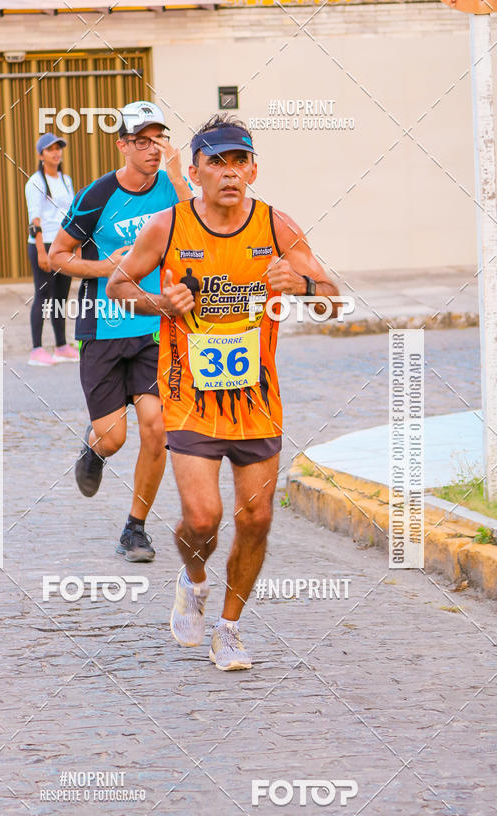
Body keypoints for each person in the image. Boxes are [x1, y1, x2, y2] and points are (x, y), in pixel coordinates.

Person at [107, 114, 339, 670]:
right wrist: (160, 303)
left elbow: (333, 297)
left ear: (253, 170)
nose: (230, 173)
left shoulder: (277, 226)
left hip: (257, 400)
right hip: (189, 395)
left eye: (240, 161)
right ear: (195, 172)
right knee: (203, 519)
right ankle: (193, 581)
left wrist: (303, 285)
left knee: (256, 520)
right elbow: (118, 285)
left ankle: (229, 630)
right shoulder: (167, 226)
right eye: (217, 162)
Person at [48, 101, 193, 561]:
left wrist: (179, 177)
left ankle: (135, 528)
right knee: (114, 437)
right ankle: (94, 448)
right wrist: (104, 267)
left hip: (155, 326)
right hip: (104, 327)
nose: (152, 149)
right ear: (123, 145)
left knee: (157, 428)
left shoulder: (172, 188)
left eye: (158, 139)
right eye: (142, 141)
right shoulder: (97, 195)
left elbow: (196, 231)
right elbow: (57, 256)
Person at [25, 132, 77, 366]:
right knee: (43, 295)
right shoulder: (35, 182)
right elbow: (34, 220)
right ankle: (36, 350)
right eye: (50, 149)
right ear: (41, 155)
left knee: (61, 297)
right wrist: (41, 252)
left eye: (58, 148)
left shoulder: (66, 180)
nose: (56, 153)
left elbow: (71, 213)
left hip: (63, 244)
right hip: (43, 244)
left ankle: (61, 346)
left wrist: (74, 245)